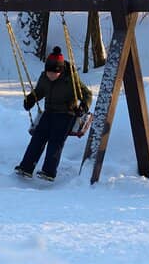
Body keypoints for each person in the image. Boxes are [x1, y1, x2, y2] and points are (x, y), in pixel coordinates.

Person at [14, 46, 92, 181]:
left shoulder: (71, 79)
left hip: (67, 113)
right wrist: (31, 99)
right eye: (48, 72)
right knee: (38, 137)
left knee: (55, 140)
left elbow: (87, 94)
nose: (50, 75)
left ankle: (49, 172)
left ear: (60, 71)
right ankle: (26, 167)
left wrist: (83, 107)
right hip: (49, 112)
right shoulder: (44, 77)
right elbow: (39, 91)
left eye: (53, 73)